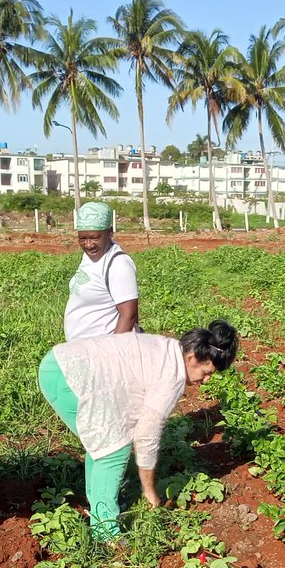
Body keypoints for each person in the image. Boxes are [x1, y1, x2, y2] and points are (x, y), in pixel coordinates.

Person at [37, 320, 238, 540]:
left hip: (59, 364)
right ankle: (106, 532)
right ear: (192, 358)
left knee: (103, 442)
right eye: (206, 372)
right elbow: (147, 434)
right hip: (68, 376)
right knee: (113, 448)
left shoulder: (170, 349)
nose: (206, 380)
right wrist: (150, 490)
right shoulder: (172, 375)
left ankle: (100, 507)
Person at [65, 201, 139, 340]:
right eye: (82, 238)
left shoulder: (118, 265)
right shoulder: (90, 257)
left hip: (101, 353)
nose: (88, 244)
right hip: (82, 349)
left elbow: (129, 316)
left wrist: (111, 352)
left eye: (95, 238)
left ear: (110, 233)